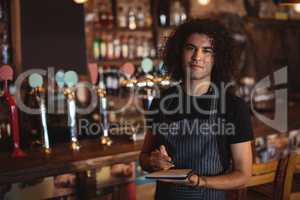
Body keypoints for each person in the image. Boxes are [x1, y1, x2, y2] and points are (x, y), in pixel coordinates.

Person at [139, 18, 253, 200]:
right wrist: (151, 161)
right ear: (179, 52)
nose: (197, 57)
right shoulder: (163, 101)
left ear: (217, 58)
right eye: (190, 48)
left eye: (207, 51)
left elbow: (243, 175)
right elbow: (143, 157)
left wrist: (201, 181)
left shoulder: (233, 106)